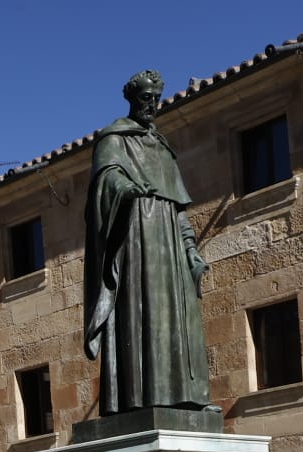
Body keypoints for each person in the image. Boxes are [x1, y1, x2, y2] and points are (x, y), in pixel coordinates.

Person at [84, 70, 213, 416]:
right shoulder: (114, 140)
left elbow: (179, 210)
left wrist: (191, 253)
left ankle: (185, 396)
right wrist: (124, 190)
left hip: (169, 251)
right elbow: (104, 182)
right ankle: (138, 399)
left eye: (156, 98)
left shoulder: (163, 149)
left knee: (178, 323)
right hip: (135, 245)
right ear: (132, 99)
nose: (152, 105)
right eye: (146, 99)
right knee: (140, 319)